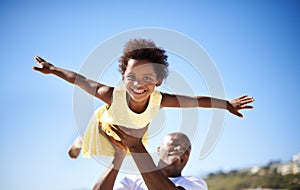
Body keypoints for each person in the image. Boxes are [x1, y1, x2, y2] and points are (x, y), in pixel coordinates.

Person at [32, 38, 254, 158]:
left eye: (147, 77)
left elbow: (195, 101)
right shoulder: (111, 95)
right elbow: (81, 80)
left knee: (125, 151)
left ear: (158, 80)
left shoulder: (159, 99)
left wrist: (225, 104)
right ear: (123, 76)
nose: (138, 84)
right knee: (94, 138)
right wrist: (53, 69)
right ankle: (81, 140)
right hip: (106, 126)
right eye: (132, 77)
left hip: (134, 135)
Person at [90, 125, 208, 190]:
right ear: (158, 150)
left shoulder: (195, 184)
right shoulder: (133, 181)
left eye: (187, 150)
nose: (180, 150)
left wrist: (136, 146)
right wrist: (119, 156)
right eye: (174, 143)